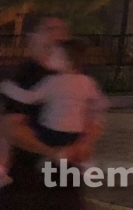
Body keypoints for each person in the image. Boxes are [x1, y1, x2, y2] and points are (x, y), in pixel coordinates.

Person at [0, 16, 101, 209]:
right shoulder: (25, 77)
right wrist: (53, 151)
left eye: (63, 30)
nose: (58, 35)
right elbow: (11, 127)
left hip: (67, 180)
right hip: (28, 183)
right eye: (49, 29)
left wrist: (84, 143)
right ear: (31, 39)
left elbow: (93, 117)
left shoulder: (76, 77)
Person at [1, 39, 107, 153]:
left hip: (51, 132)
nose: (49, 56)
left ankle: (48, 156)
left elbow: (29, 98)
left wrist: (7, 87)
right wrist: (90, 116)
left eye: (54, 55)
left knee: (15, 127)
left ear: (66, 62)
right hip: (75, 133)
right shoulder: (87, 82)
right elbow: (101, 103)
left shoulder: (52, 81)